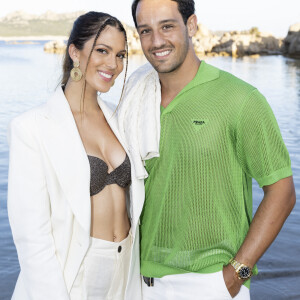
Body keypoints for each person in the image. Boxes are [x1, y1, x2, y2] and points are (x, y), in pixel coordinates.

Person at [117, 0, 296, 299]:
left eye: (167, 26)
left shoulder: (241, 99)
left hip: (212, 284)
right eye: (145, 30)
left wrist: (238, 273)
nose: (156, 41)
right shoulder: (136, 97)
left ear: (191, 25)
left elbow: (282, 192)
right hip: (141, 280)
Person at [7, 11, 142, 300]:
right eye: (102, 51)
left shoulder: (120, 119)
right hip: (77, 275)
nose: (113, 65)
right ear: (74, 52)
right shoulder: (31, 129)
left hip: (127, 271)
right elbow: (33, 238)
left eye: (120, 55)